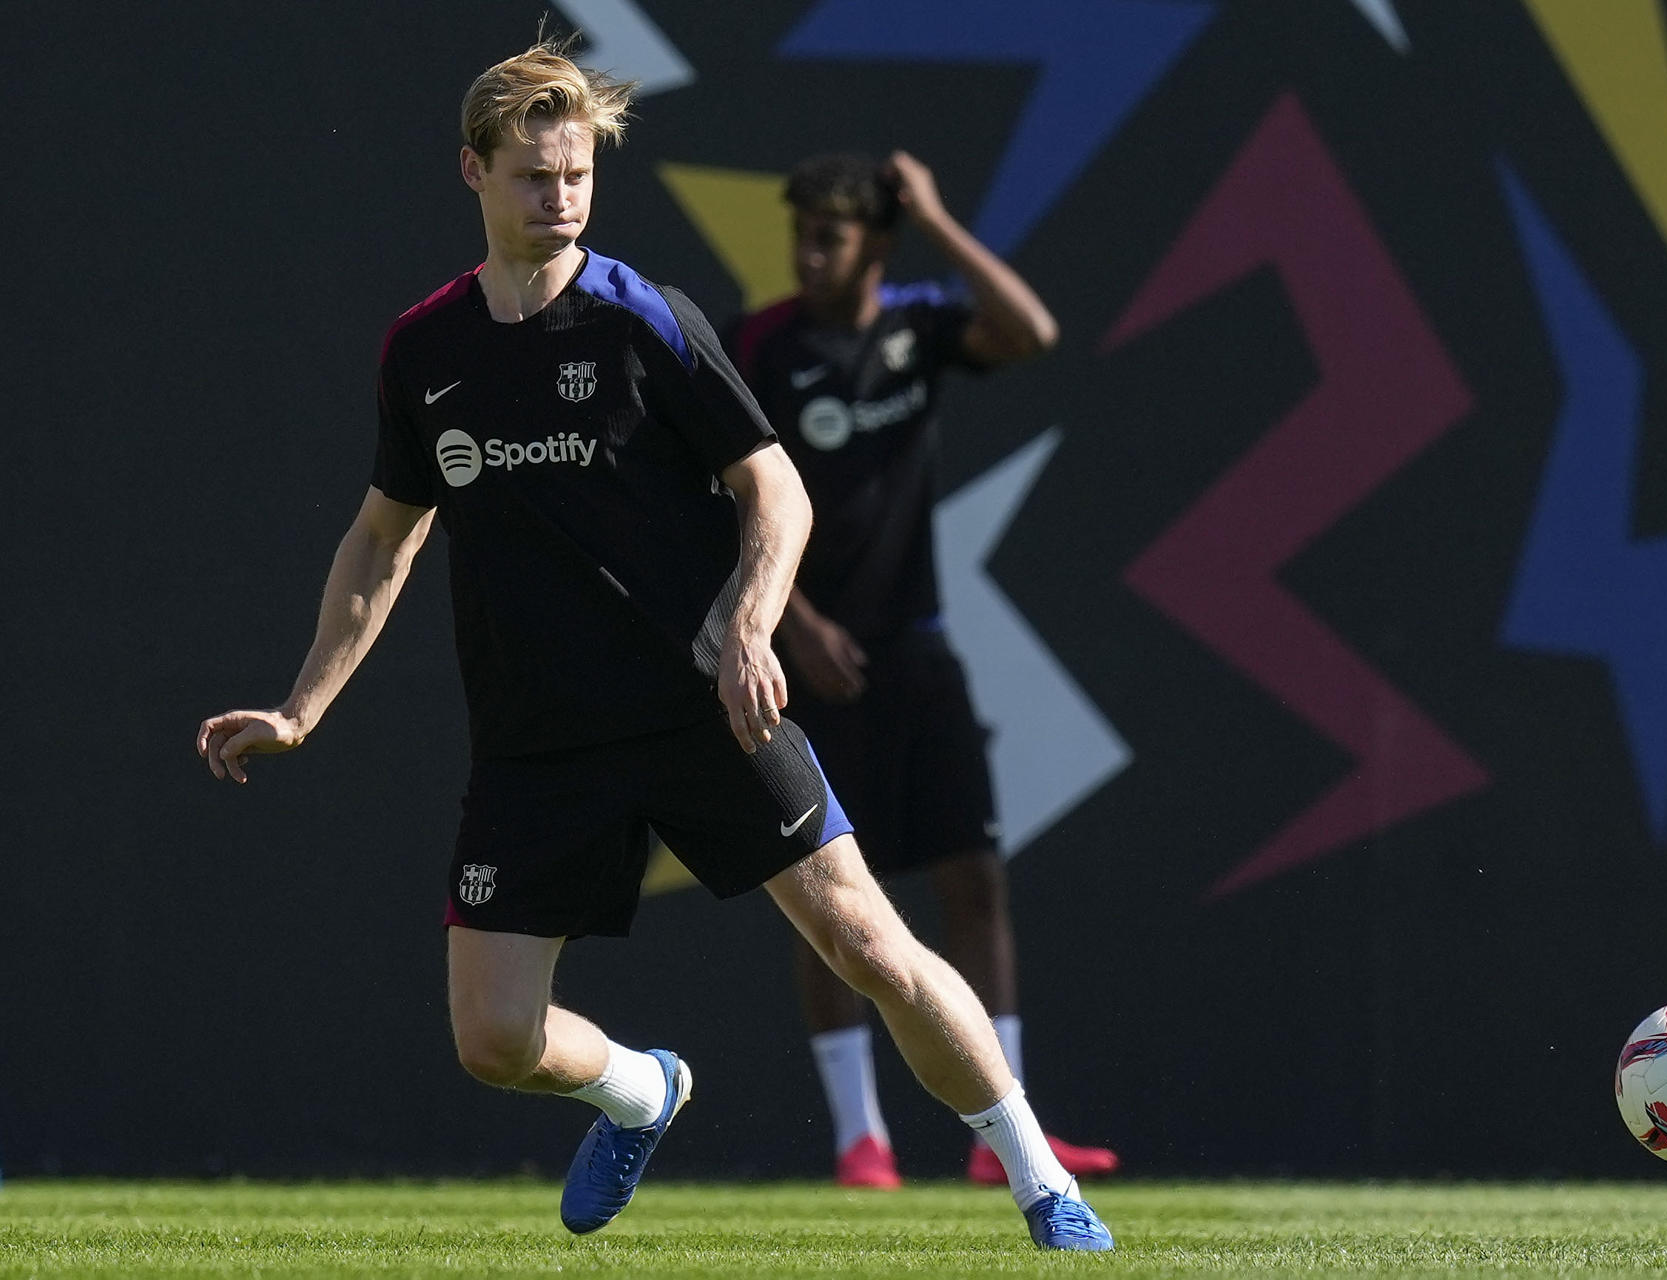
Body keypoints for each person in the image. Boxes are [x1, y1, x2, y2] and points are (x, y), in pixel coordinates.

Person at [193, 38, 1112, 1252]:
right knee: (494, 1042)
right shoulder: (426, 350)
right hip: (538, 738)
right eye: (532, 174)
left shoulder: (645, 320)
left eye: (577, 173)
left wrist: (745, 617)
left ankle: (1043, 1179)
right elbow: (381, 542)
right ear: (471, 172)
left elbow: (777, 490)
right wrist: (303, 705)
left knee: (868, 937)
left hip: (702, 707)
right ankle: (641, 1088)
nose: (560, 196)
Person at [724, 153, 1119, 1189]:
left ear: (876, 245)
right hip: (804, 661)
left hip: (916, 650)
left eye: (832, 236)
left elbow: (1031, 332)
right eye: (801, 234)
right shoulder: (762, 344)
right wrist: (794, 621)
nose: (811, 254)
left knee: (972, 879)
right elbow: (716, 493)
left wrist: (939, 218)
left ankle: (1005, 1137)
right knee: (831, 901)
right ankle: (861, 1139)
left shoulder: (917, 325)